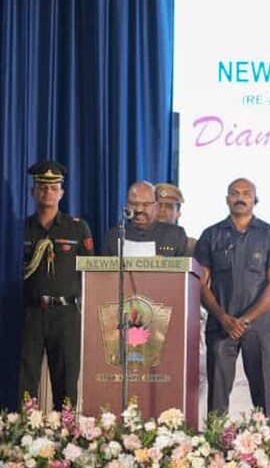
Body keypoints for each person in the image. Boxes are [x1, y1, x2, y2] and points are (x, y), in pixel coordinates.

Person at [194, 178, 270, 418]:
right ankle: (214, 446)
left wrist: (245, 320)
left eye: (246, 193)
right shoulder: (211, 235)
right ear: (227, 199)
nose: (240, 197)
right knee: (217, 394)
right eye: (234, 193)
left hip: (259, 326)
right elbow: (200, 283)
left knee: (264, 393)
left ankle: (268, 446)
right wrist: (224, 318)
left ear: (254, 199)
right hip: (221, 324)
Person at [18, 160, 94, 410]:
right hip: (31, 312)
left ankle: (67, 436)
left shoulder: (77, 227)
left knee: (66, 380)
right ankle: (24, 434)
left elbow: (90, 272)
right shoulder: (22, 228)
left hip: (66, 313)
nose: (47, 192)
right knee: (25, 379)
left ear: (62, 192)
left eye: (53, 187)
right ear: (32, 192)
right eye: (41, 187)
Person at [102, 181, 189, 257]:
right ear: (127, 205)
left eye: (146, 205)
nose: (139, 210)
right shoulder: (114, 236)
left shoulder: (176, 235)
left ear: (156, 206)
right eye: (134, 204)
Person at [154, 182, 197, 255]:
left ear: (178, 213)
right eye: (158, 205)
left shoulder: (190, 246)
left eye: (168, 206)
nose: (162, 210)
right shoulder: (137, 241)